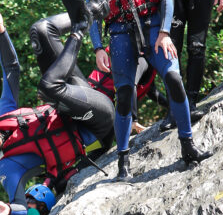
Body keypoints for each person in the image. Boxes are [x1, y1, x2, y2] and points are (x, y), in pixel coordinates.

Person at [85, 0, 212, 180]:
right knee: (124, 96)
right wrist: (98, 48)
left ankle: (188, 146)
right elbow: (92, 13)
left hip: (154, 27)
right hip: (120, 35)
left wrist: (165, 32)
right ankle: (123, 163)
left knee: (174, 78)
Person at [0, 0, 114, 205]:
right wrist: (8, 210)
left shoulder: (3, 115)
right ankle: (80, 29)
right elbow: (18, 203)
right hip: (98, 131)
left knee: (41, 31)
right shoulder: (7, 167)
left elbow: (11, 68)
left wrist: (0, 30)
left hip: (83, 103)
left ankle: (94, 9)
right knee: (48, 87)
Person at [28, 10, 156, 134]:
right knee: (40, 30)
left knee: (49, 86)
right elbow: (146, 89)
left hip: (101, 113)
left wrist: (132, 119)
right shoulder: (128, 52)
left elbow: (129, 86)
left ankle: (88, 14)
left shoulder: (142, 59)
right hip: (85, 96)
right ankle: (90, 12)